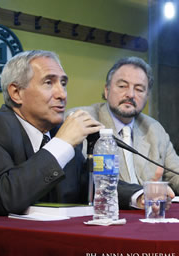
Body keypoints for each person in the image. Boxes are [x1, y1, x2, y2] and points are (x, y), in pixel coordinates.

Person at [0, 50, 142, 215]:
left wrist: (140, 195)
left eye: (63, 84)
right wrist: (62, 144)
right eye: (49, 83)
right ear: (16, 92)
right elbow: (6, 198)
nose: (62, 94)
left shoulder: (59, 133)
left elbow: (89, 186)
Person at [66, 56, 176, 208]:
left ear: (147, 97)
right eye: (123, 86)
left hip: (149, 216)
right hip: (103, 216)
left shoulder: (154, 129)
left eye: (139, 89)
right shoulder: (82, 120)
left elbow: (175, 173)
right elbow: (84, 180)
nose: (130, 94)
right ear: (106, 90)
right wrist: (139, 194)